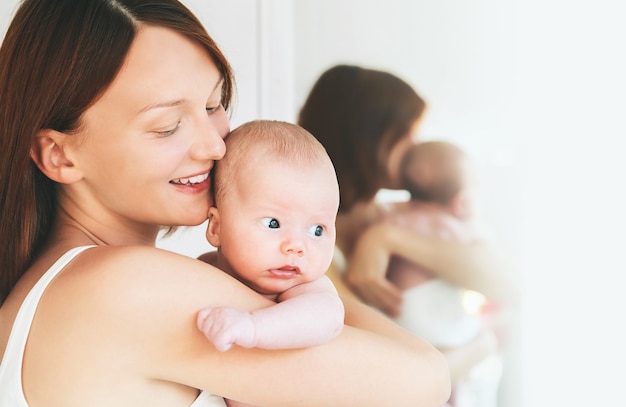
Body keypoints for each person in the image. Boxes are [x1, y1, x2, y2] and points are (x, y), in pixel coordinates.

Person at [0, 1, 451, 406]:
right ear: (58, 154)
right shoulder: (126, 286)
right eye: (167, 126)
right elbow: (424, 380)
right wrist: (305, 276)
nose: (214, 146)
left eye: (214, 104)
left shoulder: (48, 288)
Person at [298, 64, 518, 386]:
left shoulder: (396, 216)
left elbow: (509, 283)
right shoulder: (312, 247)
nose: (417, 144)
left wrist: (386, 238)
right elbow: (400, 377)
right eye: (406, 132)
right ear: (367, 135)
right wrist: (483, 345)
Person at [197, 120, 344, 355]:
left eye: (317, 230)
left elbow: (327, 320)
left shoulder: (309, 291)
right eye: (273, 224)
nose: (296, 246)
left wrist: (253, 328)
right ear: (216, 227)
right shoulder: (202, 270)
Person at [384, 140, 503, 407]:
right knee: (467, 364)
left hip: (406, 327)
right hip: (443, 330)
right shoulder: (453, 230)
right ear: (461, 201)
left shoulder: (396, 219)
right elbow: (487, 257)